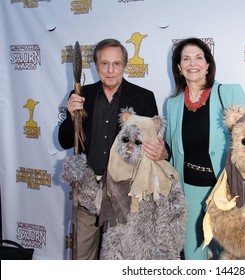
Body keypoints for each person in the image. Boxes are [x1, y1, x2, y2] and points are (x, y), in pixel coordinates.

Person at [58, 38, 168, 260]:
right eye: (104, 63)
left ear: (124, 65)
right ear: (96, 65)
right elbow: (63, 141)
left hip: (125, 195)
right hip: (88, 190)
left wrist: (163, 152)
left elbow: (158, 146)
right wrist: (71, 117)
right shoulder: (81, 96)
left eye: (116, 64)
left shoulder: (143, 97)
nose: (110, 70)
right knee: (82, 257)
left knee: (119, 258)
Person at [165, 37, 245, 260]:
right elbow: (169, 149)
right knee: (193, 259)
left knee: (231, 258)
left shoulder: (229, 93)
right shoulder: (172, 104)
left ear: (208, 64)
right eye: (186, 59)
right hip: (188, 190)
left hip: (224, 191)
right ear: (179, 68)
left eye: (199, 58)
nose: (193, 63)